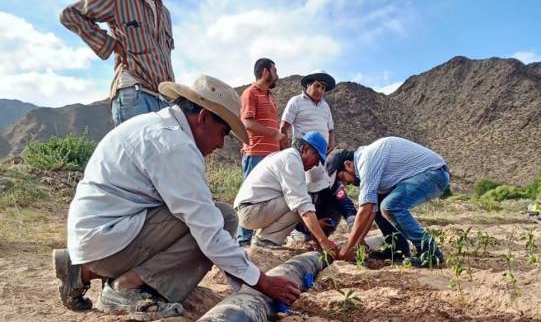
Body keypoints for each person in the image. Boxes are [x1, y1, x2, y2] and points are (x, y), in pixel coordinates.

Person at [52, 75, 300, 319]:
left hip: (101, 234)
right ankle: (126, 287)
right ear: (203, 118)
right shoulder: (175, 146)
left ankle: (83, 269)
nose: (222, 144)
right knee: (220, 220)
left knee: (216, 215)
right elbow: (209, 232)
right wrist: (262, 283)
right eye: (223, 132)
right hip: (105, 239)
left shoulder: (158, 126)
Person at [60, 0, 189, 126]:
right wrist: (110, 44)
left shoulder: (164, 13)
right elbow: (70, 14)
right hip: (135, 94)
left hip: (163, 102)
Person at [326, 137, 450, 267]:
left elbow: (365, 209)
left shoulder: (366, 161)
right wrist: (356, 243)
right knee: (380, 204)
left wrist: (349, 247)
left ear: (348, 165)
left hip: (434, 173)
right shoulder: (366, 161)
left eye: (342, 178)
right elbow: (372, 211)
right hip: (426, 174)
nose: (345, 184)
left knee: (390, 206)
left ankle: (431, 253)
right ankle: (398, 250)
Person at [280, 70, 356, 240]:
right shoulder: (296, 102)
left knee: (330, 189)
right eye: (317, 86)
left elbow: (331, 128)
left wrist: (331, 144)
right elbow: (283, 128)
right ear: (308, 85)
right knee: (303, 196)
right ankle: (300, 232)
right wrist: (286, 154)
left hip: (323, 158)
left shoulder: (325, 106)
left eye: (323, 87)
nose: (320, 90)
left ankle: (324, 230)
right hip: (303, 158)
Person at [233, 132, 338, 254]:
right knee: (300, 202)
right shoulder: (292, 161)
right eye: (317, 159)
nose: (316, 165)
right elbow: (303, 206)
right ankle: (265, 241)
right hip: (249, 211)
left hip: (250, 209)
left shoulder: (286, 156)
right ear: (305, 149)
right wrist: (324, 241)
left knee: (298, 201)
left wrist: (316, 226)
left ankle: (265, 240)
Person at [237, 58, 286, 246]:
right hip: (255, 152)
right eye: (275, 70)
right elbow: (247, 122)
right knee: (250, 198)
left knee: (271, 196)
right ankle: (243, 241)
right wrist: (274, 134)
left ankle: (263, 238)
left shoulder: (269, 97)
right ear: (266, 72)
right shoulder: (250, 94)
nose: (277, 75)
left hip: (271, 156)